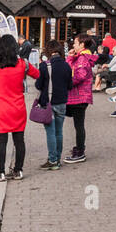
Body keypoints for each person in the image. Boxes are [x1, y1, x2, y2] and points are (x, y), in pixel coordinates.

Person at [0, 34, 37, 181]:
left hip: (1, 109)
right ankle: (18, 171)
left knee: (1, 142)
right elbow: (37, 74)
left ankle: (0, 172)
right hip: (18, 108)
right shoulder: (23, 64)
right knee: (19, 141)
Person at [34, 40, 71, 170]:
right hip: (62, 102)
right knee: (59, 132)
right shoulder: (66, 65)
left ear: (48, 51)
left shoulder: (45, 66)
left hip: (48, 103)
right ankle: (58, 159)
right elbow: (70, 85)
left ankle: (52, 160)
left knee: (50, 132)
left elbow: (38, 85)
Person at [64, 36, 96, 162]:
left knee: (78, 124)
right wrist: (71, 57)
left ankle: (80, 151)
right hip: (77, 96)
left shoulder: (83, 58)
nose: (73, 45)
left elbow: (79, 76)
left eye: (75, 43)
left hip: (79, 96)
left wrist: (67, 83)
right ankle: (79, 148)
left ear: (82, 44)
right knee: (78, 124)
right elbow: (68, 68)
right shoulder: (80, 57)